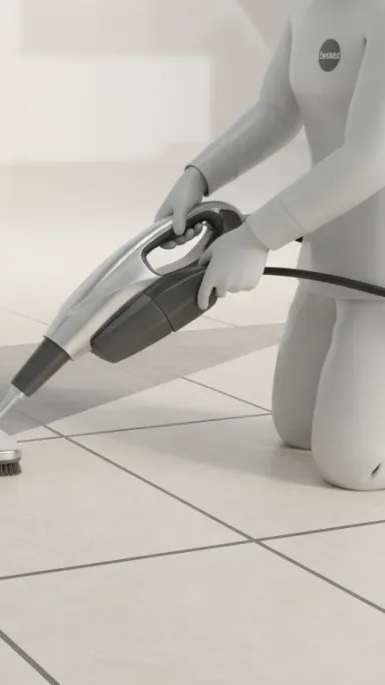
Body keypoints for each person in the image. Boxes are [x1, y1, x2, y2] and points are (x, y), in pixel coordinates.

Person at [155, 0, 385, 490]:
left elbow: (369, 158)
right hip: (327, 246)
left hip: (378, 266)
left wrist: (259, 236)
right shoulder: (308, 13)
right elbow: (275, 113)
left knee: (353, 465)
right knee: (296, 429)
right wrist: (199, 174)